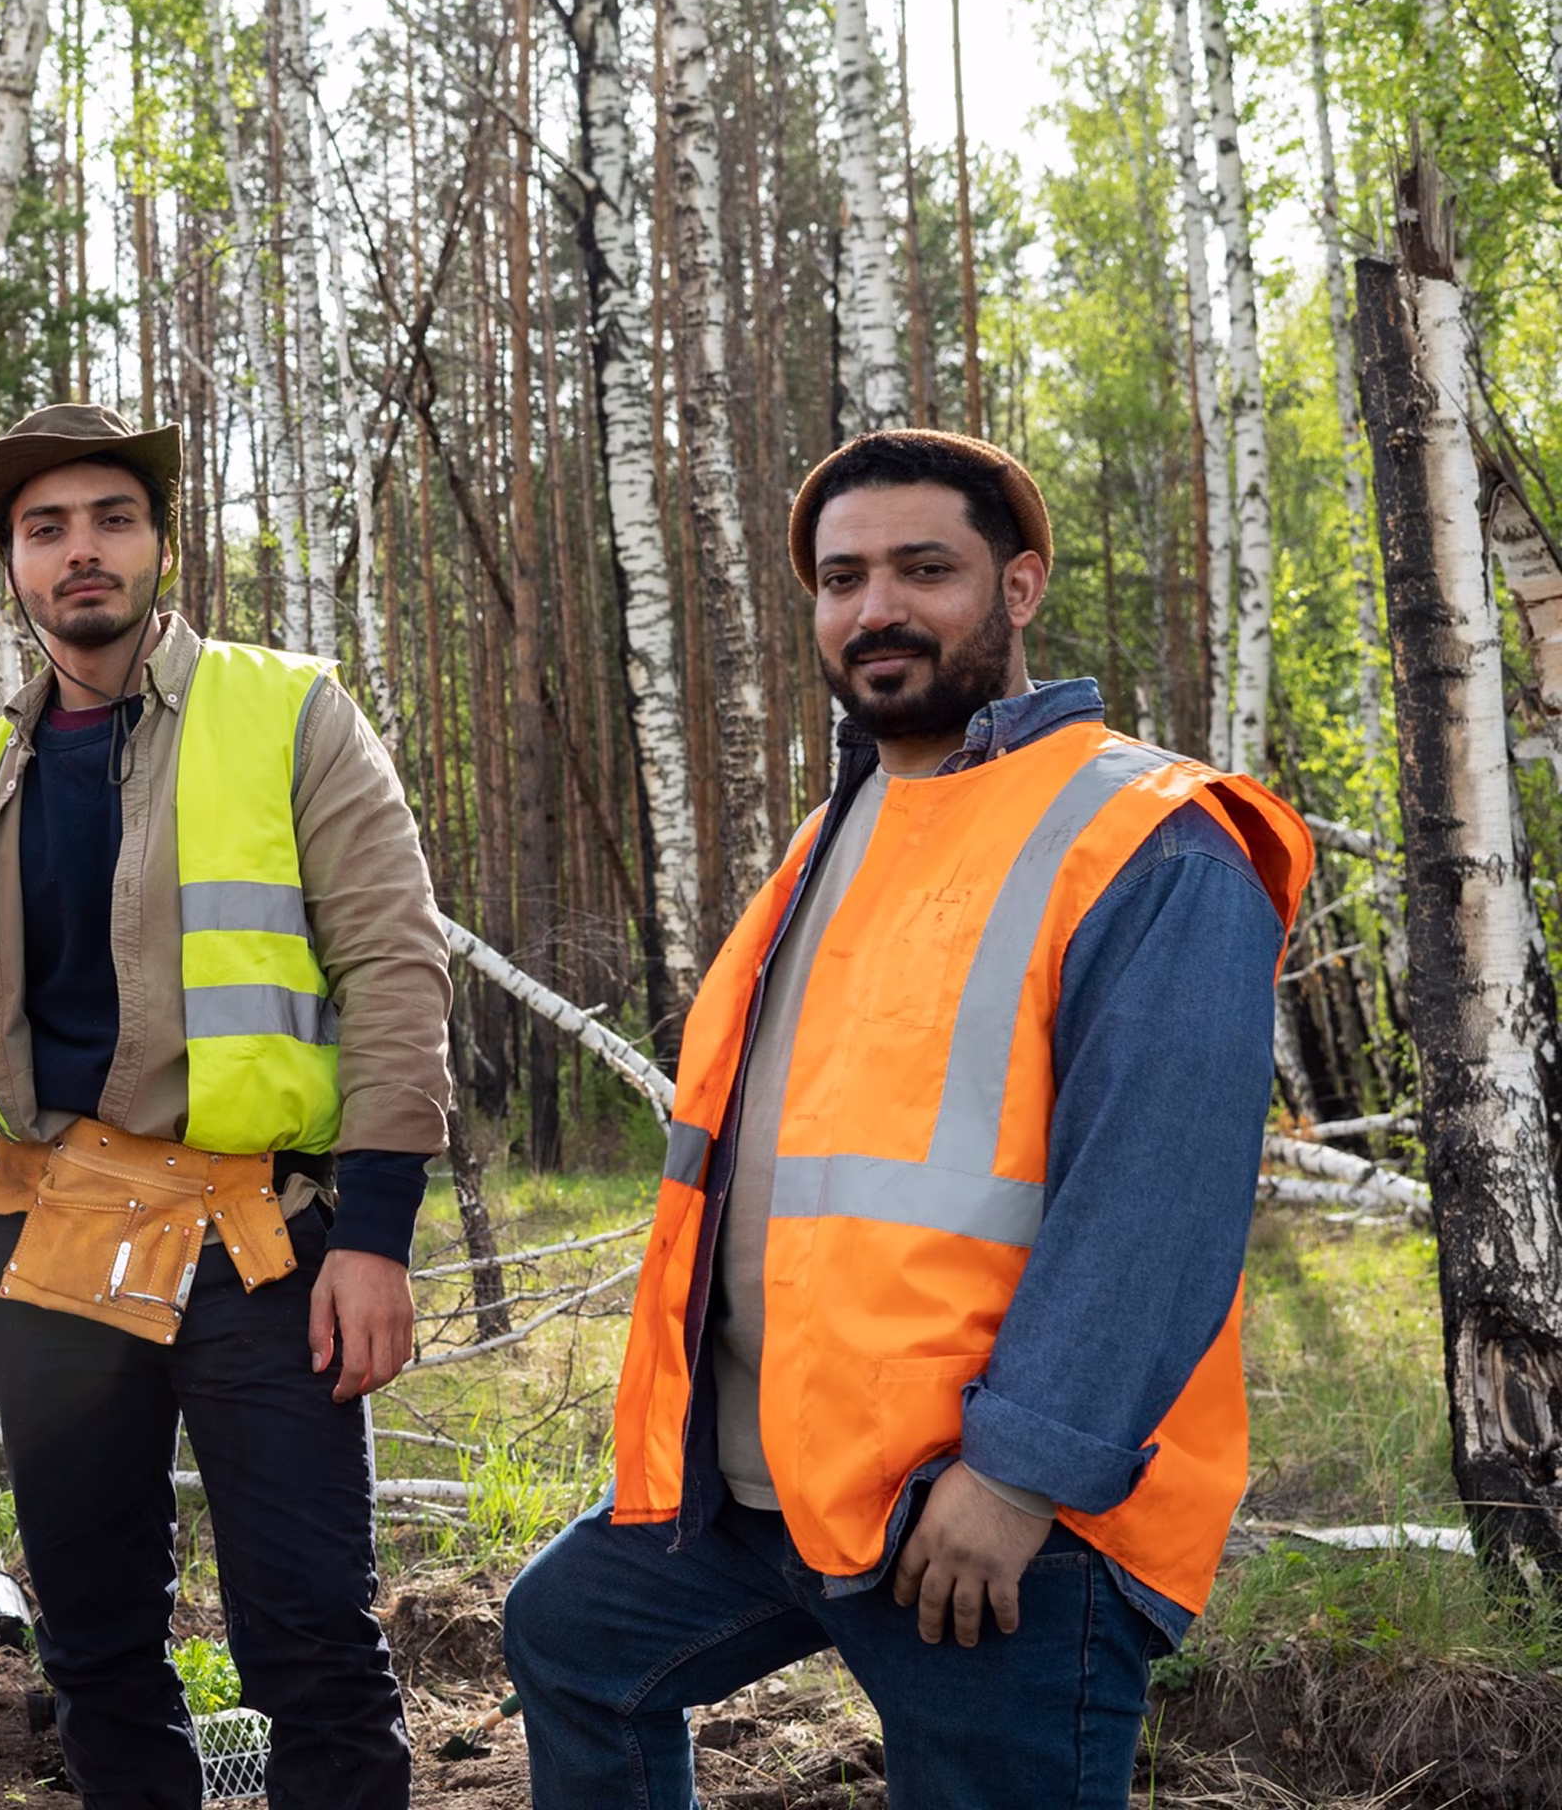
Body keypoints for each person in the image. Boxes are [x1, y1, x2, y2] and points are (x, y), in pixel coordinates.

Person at [500, 430, 1312, 1807]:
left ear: (1019, 586)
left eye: (923, 569)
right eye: (841, 578)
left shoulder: (1152, 837)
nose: (875, 608)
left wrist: (1018, 1480)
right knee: (571, 1639)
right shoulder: (843, 831)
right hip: (778, 1482)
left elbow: (1154, 1207)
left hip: (999, 1521)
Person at [0, 402, 451, 1810]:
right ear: (11, 566)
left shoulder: (289, 711)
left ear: (161, 542)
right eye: (45, 530)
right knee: (96, 1642)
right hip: (53, 1247)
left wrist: (374, 1233)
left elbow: (394, 963)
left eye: (110, 520)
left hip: (262, 1242)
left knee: (312, 1634)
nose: (82, 554)